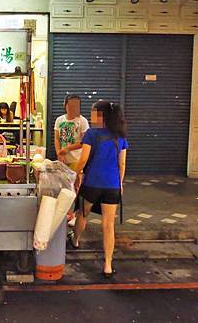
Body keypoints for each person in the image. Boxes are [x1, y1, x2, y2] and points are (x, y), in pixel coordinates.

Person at [71, 100, 128, 279]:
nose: (91, 115)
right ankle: (108, 265)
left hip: (92, 183)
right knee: (108, 224)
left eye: (93, 112)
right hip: (112, 186)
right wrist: (120, 183)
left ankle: (76, 240)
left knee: (83, 213)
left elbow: (83, 159)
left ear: (101, 115)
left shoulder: (91, 134)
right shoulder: (120, 137)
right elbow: (122, 163)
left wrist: (76, 174)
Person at [54, 95, 89, 227]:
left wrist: (67, 149)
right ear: (65, 105)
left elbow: (84, 142)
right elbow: (57, 139)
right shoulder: (59, 120)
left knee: (75, 187)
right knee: (64, 187)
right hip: (63, 160)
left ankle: (75, 214)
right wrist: (59, 153)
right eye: (71, 105)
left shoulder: (83, 121)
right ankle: (67, 213)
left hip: (77, 159)